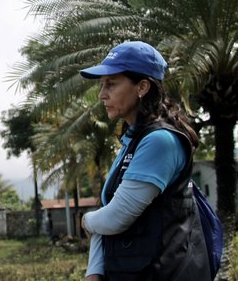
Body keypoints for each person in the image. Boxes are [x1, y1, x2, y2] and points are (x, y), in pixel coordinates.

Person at [79, 41, 210, 280]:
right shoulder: (133, 140)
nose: (101, 95)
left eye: (111, 84)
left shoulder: (160, 141)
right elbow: (107, 213)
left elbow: (116, 217)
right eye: (101, 85)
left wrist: (86, 221)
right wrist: (94, 271)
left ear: (142, 86)